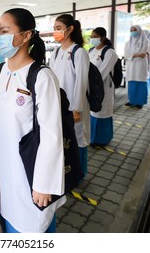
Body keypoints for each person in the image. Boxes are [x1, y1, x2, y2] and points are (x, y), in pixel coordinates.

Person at [0, 8, 65, 233]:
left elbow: (51, 134)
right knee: (8, 212)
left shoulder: (41, 76)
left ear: (26, 36)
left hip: (31, 169)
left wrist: (45, 184)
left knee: (33, 222)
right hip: (6, 166)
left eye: (5, 31)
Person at [48, 14, 90, 177]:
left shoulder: (78, 52)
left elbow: (81, 82)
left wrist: (77, 108)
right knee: (63, 140)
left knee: (78, 139)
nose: (55, 32)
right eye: (54, 29)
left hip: (74, 107)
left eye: (58, 28)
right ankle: (66, 173)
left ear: (70, 29)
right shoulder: (56, 52)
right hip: (59, 105)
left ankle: (79, 174)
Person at [88, 27, 118, 146]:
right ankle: (93, 138)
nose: (92, 39)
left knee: (103, 112)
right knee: (93, 112)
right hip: (91, 85)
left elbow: (103, 71)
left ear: (103, 38)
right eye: (91, 37)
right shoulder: (91, 51)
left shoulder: (109, 52)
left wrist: (90, 80)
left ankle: (103, 139)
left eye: (95, 37)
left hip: (104, 87)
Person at [124, 25, 150, 109]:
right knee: (132, 83)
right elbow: (126, 55)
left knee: (141, 82)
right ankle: (132, 101)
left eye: (134, 30)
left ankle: (140, 102)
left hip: (140, 66)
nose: (133, 32)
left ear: (139, 30)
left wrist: (132, 55)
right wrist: (136, 55)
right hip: (131, 66)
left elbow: (143, 54)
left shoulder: (145, 41)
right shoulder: (128, 43)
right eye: (131, 30)